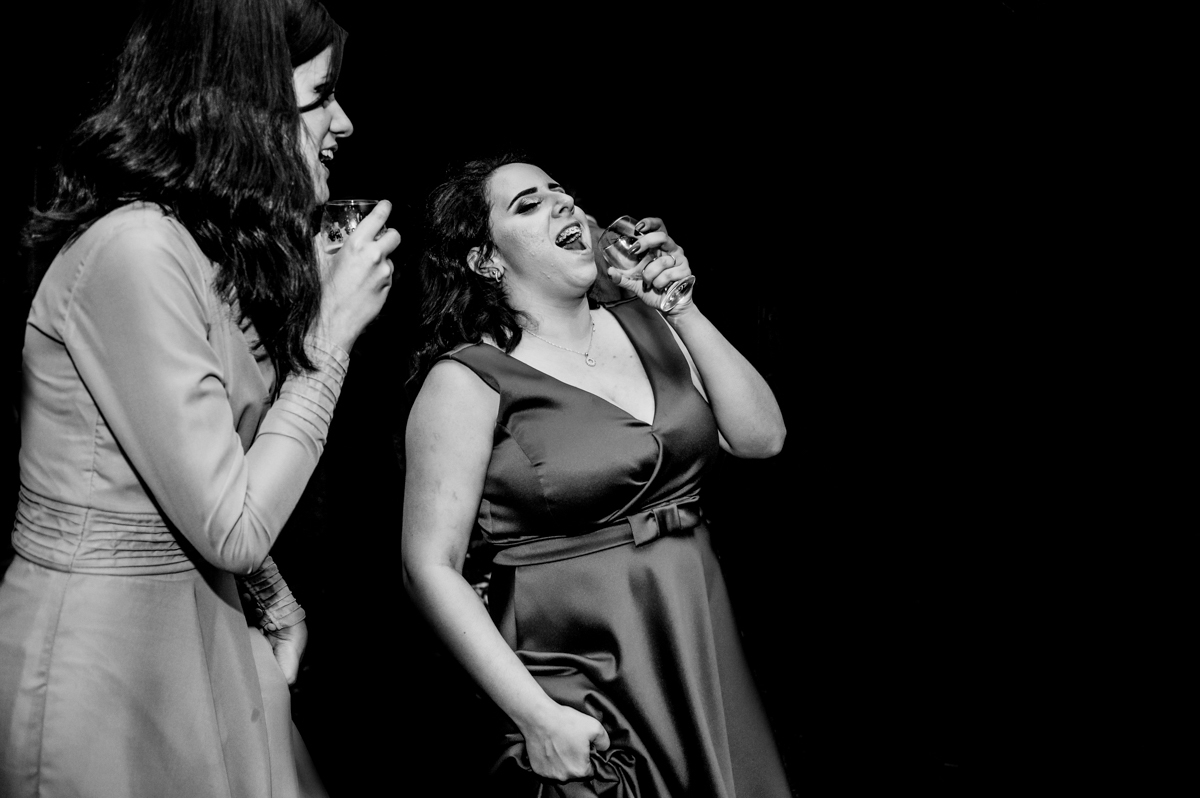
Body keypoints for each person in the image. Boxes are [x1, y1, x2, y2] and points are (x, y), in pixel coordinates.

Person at [0, 0, 398, 795]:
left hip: (203, 626)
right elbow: (232, 527)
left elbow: (202, 476)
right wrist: (328, 344)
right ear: (240, 107)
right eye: (320, 97)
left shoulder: (198, 248)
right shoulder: (137, 248)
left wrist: (272, 600)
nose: (344, 122)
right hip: (111, 663)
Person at [402, 155, 791, 797]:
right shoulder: (467, 379)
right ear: (485, 260)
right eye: (528, 204)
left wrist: (681, 307)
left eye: (561, 192)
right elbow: (429, 565)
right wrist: (536, 716)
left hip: (698, 636)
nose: (562, 203)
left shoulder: (649, 323)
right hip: (574, 671)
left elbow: (761, 438)